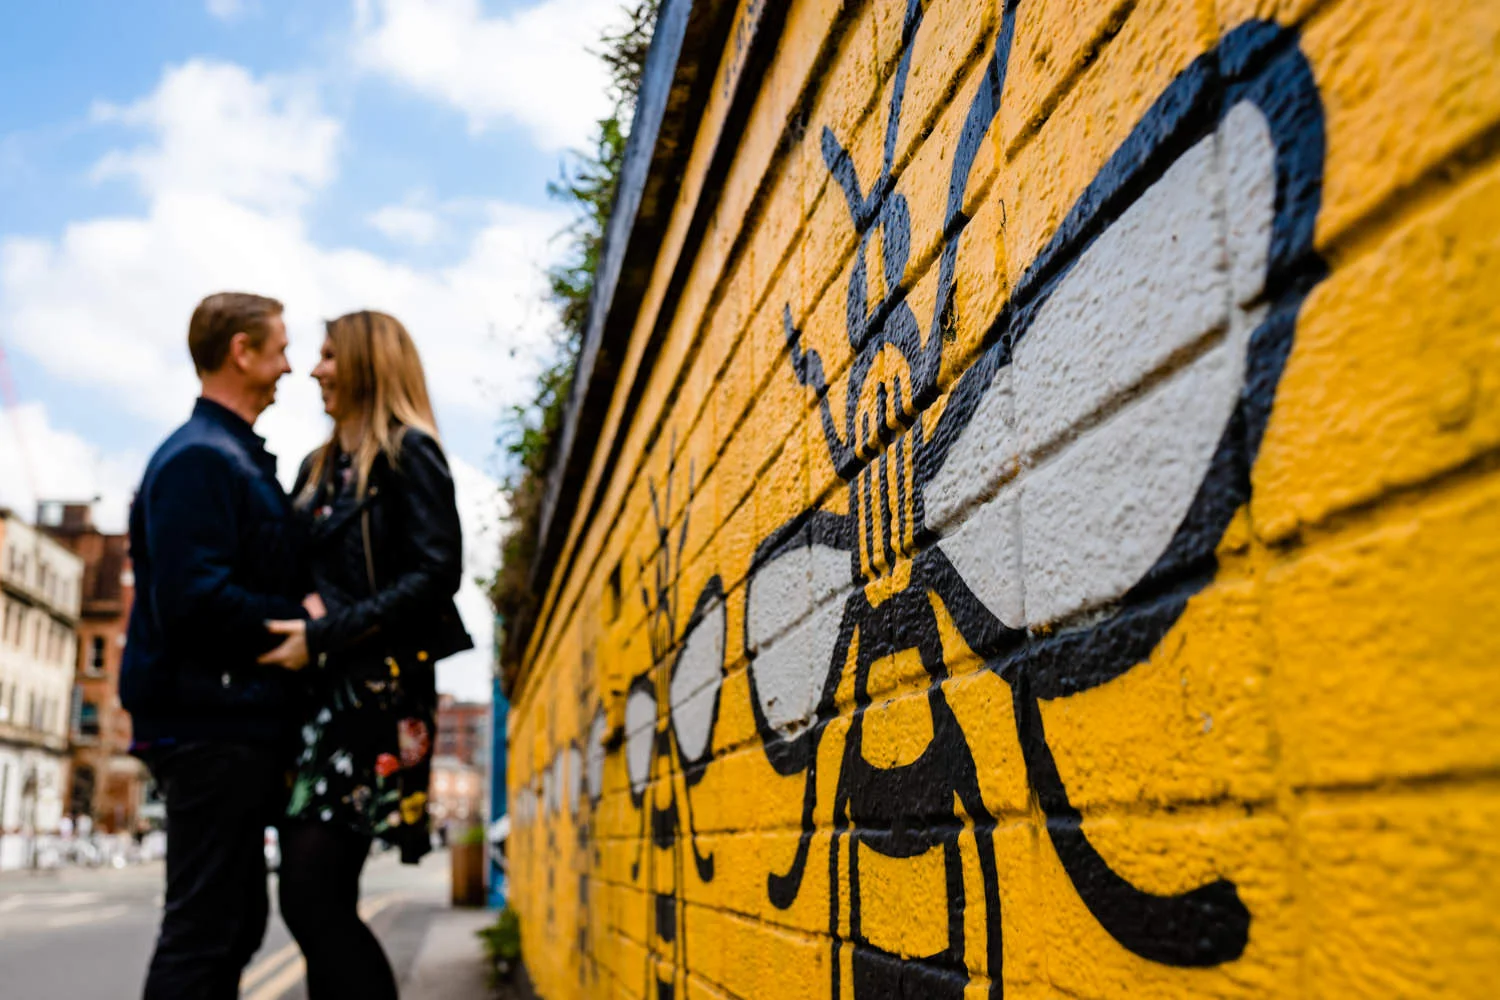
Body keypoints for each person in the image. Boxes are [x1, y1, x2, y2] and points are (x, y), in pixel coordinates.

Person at [259, 309, 472, 1000]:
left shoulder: (410, 454)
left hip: (375, 700)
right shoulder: (317, 468)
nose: (315, 370)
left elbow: (437, 575)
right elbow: (292, 573)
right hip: (314, 703)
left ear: (366, 363)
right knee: (314, 896)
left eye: (329, 356)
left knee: (312, 898)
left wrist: (324, 631)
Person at [120, 292, 306, 1000]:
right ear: (242, 351)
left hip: (227, 725)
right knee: (206, 930)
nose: (289, 365)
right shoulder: (201, 459)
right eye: (280, 348)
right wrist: (303, 620)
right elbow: (193, 605)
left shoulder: (224, 454)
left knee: (231, 923)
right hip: (208, 728)